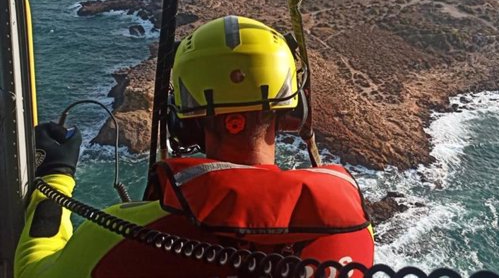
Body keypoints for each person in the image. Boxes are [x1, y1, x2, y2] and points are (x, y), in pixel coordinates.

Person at [14, 15, 374, 278]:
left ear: (181, 122)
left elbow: (34, 270)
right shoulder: (354, 232)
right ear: (295, 111)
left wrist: (55, 177)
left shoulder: (123, 235)